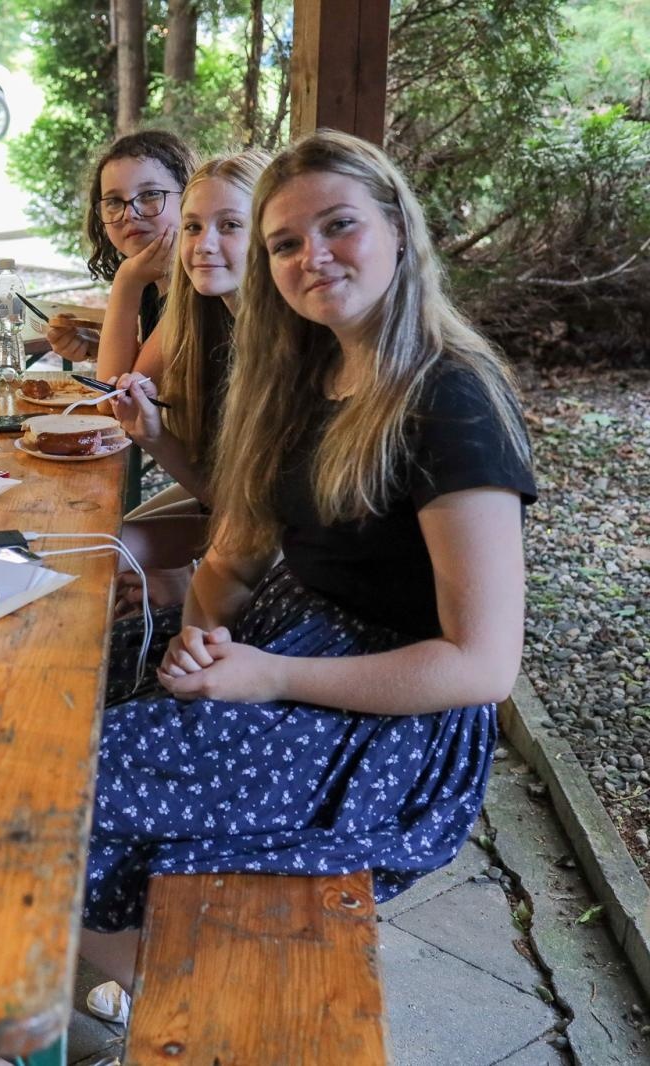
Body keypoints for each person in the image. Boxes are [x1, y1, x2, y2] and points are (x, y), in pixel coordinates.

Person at [78, 130, 536, 1025]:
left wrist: (268, 675)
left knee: (67, 783)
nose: (311, 257)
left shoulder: (451, 399)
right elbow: (242, 542)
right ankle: (139, 977)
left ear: (399, 229)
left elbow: (482, 666)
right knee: (46, 677)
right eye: (286, 243)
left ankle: (194, 1011)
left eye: (339, 227)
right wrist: (198, 631)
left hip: (386, 722)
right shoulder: (305, 368)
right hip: (285, 638)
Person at [106, 149, 270, 615]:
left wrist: (193, 621)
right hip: (231, 514)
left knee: (101, 554)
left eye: (231, 225)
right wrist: (154, 436)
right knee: (100, 548)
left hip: (272, 556)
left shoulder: (291, 351)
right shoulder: (202, 316)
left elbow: (256, 523)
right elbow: (222, 492)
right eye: (194, 227)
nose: (203, 245)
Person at [44, 130, 195, 378]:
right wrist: (101, 348)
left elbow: (115, 395)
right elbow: (148, 380)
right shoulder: (152, 284)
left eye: (149, 194)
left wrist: (127, 281)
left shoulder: (198, 290)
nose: (129, 213)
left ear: (190, 196)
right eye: (114, 201)